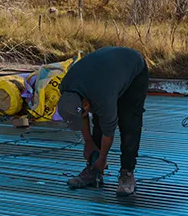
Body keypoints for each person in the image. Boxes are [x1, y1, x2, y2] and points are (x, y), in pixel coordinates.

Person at [56, 46, 149, 196]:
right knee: (99, 121)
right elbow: (82, 115)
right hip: (106, 74)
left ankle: (127, 173)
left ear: (85, 104)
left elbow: (108, 131)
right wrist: (88, 142)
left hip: (133, 68)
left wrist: (103, 158)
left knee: (129, 122)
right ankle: (92, 170)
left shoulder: (102, 98)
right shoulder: (66, 88)